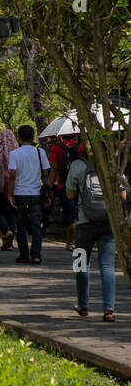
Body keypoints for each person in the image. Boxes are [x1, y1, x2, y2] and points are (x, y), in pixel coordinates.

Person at [66, 151, 121, 321]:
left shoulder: (77, 165)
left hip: (84, 222)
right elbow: (123, 194)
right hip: (107, 221)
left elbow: (70, 194)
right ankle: (109, 310)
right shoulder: (112, 165)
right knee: (107, 265)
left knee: (81, 261)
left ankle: (82, 304)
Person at [7, 124, 51, 264]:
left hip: (20, 194)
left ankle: (24, 254)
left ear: (18, 137)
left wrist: (10, 194)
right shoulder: (41, 152)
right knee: (36, 225)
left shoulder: (15, 154)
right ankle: (36, 255)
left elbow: (12, 175)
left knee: (21, 226)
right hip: (36, 193)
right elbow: (46, 174)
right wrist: (48, 194)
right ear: (33, 137)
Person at [48, 132, 82, 252]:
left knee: (70, 216)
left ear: (61, 135)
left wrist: (50, 186)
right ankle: (81, 243)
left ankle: (69, 243)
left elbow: (54, 168)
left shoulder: (56, 147)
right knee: (80, 215)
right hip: (80, 185)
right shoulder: (81, 147)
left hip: (64, 185)